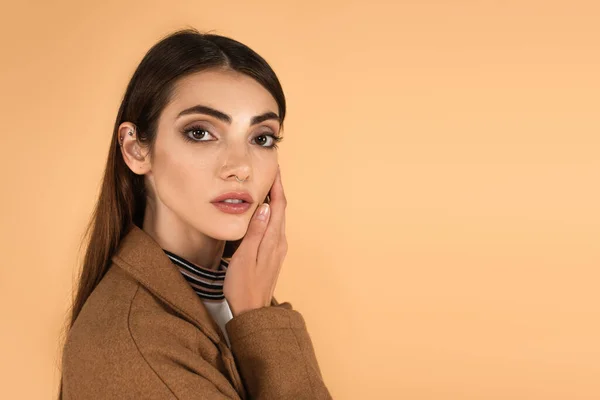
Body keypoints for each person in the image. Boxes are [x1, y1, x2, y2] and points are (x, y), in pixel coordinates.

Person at [58, 28, 333, 399]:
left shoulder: (238, 290)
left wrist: (254, 312)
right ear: (136, 149)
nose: (241, 167)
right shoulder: (136, 342)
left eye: (262, 137)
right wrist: (259, 322)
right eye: (201, 133)